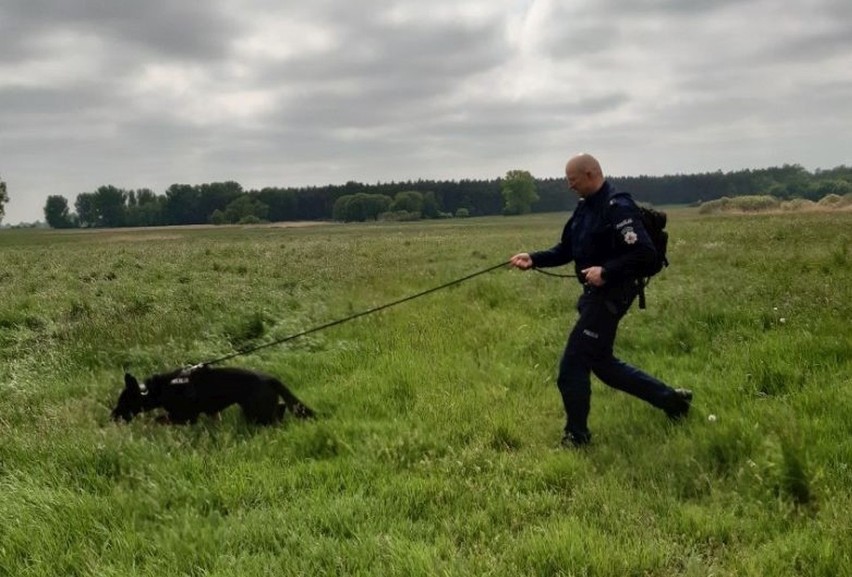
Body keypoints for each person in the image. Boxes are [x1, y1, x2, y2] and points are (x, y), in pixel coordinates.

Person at [510, 153, 692, 447]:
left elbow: (645, 253)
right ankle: (673, 401)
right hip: (593, 296)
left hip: (613, 294)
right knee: (603, 365)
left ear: (591, 174)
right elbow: (566, 249)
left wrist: (606, 271)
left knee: (572, 365)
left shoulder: (618, 207)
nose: (570, 187)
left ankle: (576, 436)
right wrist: (533, 258)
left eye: (573, 180)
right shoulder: (584, 210)